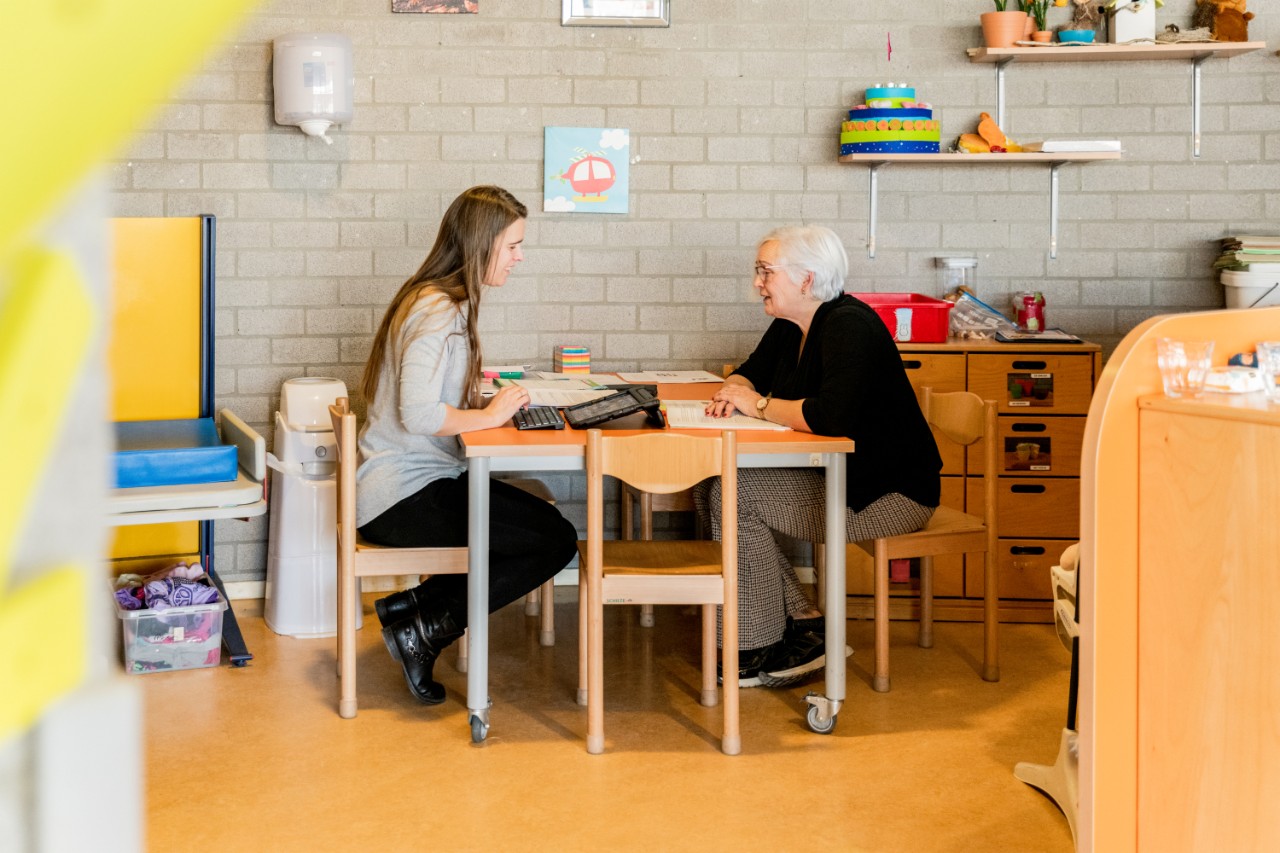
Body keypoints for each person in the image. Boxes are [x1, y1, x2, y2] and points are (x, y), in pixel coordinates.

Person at [355, 185, 578, 705]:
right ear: (482, 246)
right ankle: (427, 624)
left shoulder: (433, 299)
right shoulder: (440, 312)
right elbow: (419, 413)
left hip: (415, 483)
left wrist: (480, 399)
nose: (520, 258)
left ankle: (417, 609)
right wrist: (489, 414)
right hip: (401, 497)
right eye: (514, 246)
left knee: (551, 530)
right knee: (554, 541)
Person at [697, 224, 942, 688]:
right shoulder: (793, 325)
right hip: (839, 480)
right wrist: (736, 392)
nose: (757, 283)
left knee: (732, 495)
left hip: (887, 494)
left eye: (765, 272)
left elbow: (831, 418)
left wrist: (760, 405)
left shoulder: (850, 325)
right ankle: (802, 623)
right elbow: (751, 373)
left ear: (806, 279)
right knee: (713, 486)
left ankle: (759, 645)